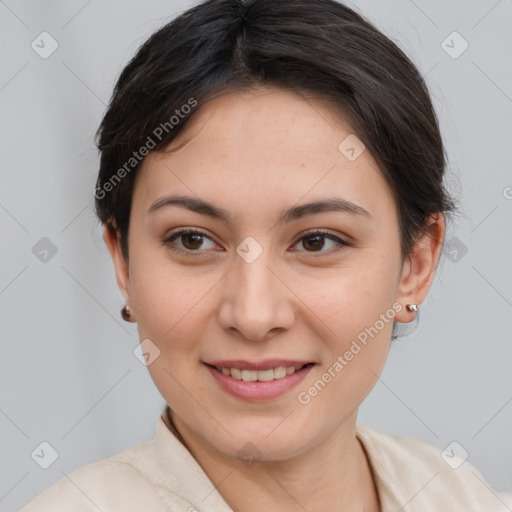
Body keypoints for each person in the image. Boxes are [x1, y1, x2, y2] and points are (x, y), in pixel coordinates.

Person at [20, 0, 512, 510]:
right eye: (192, 240)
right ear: (124, 264)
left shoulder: (462, 496)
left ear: (416, 264)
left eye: (317, 241)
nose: (253, 316)